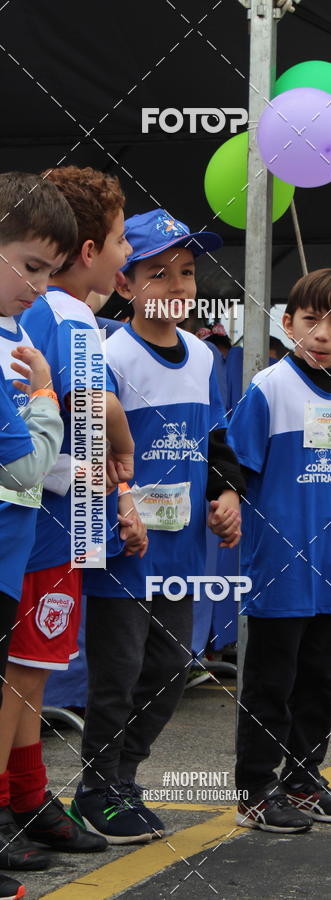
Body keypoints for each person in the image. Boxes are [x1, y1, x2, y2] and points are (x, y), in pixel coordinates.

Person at [71, 208, 245, 843]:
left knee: (171, 671)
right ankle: (97, 789)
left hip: (182, 555)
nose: (177, 287)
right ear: (124, 285)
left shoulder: (203, 356)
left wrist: (227, 492)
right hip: (123, 550)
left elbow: (217, 437)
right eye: (159, 274)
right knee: (116, 677)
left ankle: (124, 777)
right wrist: (119, 501)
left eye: (188, 273)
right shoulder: (109, 354)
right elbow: (90, 444)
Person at [0, 165, 135, 875]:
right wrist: (124, 444)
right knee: (25, 672)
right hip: (51, 506)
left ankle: (27, 796)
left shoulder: (38, 308)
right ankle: (17, 800)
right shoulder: (69, 312)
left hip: (54, 503)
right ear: (89, 250)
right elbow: (88, 402)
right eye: (119, 241)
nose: (125, 257)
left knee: (31, 669)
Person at [227, 268, 331, 833]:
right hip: (279, 571)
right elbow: (228, 452)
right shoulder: (270, 387)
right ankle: (256, 792)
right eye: (311, 321)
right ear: (288, 325)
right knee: (270, 684)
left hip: (329, 571)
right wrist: (225, 498)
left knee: (319, 683)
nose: (323, 333)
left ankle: (304, 783)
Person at [0, 171, 77, 900]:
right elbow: (27, 465)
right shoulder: (14, 355)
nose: (39, 287)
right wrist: (48, 397)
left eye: (50, 273)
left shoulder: (14, 336)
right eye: (28, 266)